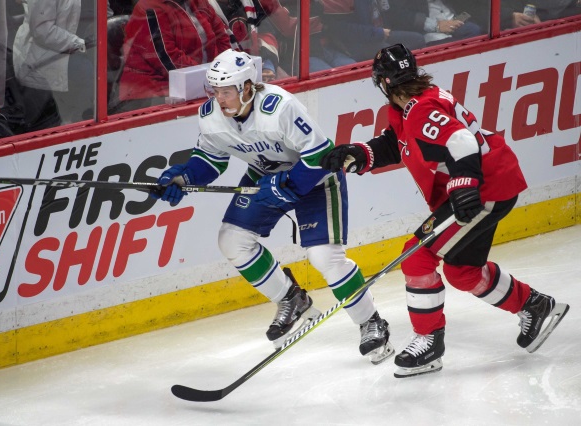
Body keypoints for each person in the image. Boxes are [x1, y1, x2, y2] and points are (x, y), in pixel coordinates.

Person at [320, 44, 570, 378]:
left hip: (484, 190)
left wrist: (465, 184)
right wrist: (360, 153)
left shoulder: (421, 109)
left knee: (416, 255)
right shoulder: (411, 107)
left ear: (382, 82)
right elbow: (400, 144)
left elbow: (462, 142)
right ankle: (535, 305)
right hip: (491, 184)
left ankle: (428, 343)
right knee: (462, 272)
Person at [151, 49, 395, 363]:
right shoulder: (211, 116)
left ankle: (370, 322)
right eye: (214, 91)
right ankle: (291, 299)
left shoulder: (280, 107)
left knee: (325, 258)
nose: (218, 99)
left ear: (247, 88)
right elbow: (210, 160)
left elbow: (321, 155)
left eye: (226, 92)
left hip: (315, 179)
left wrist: (288, 186)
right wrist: (183, 176)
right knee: (231, 240)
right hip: (266, 179)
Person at [118, 0, 232, 110]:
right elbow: (167, 59)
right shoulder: (150, 6)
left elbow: (221, 36)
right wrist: (209, 79)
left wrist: (222, 73)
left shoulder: (199, 2)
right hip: (150, 91)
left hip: (199, 84)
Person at [13, 0, 94, 126]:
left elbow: (105, 13)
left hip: (85, 50)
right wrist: (80, 44)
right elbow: (42, 30)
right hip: (46, 57)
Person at [322, 0, 426, 63]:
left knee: (418, 39)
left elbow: (390, 12)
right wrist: (377, 33)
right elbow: (340, 29)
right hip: (359, 42)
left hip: (381, 34)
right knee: (390, 53)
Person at [383, 0, 483, 46]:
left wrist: (460, 17)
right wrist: (436, 25)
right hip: (427, 29)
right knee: (448, 44)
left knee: (474, 30)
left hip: (452, 18)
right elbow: (398, 16)